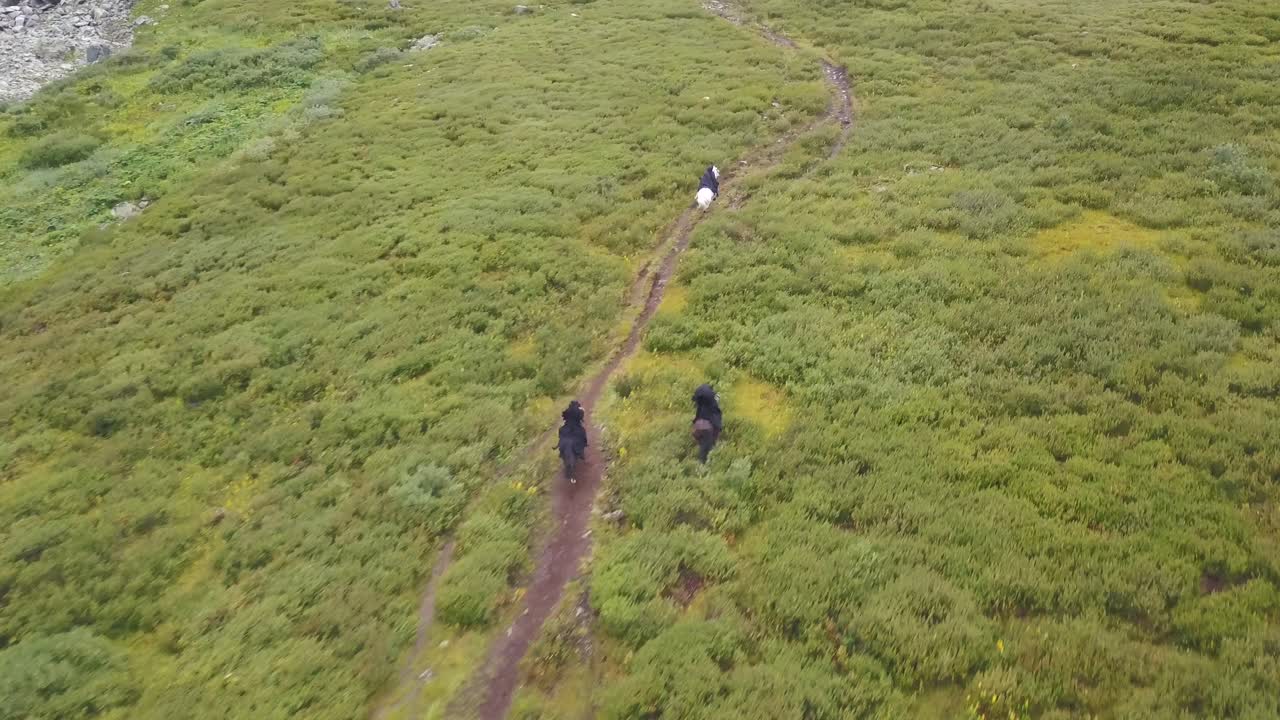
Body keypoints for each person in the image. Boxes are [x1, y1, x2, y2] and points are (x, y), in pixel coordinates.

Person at [691, 384, 722, 463]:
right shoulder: (713, 406)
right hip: (708, 426)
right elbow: (716, 422)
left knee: (702, 447)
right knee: (707, 449)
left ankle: (699, 463)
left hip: (698, 426)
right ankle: (703, 465)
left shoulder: (700, 406)